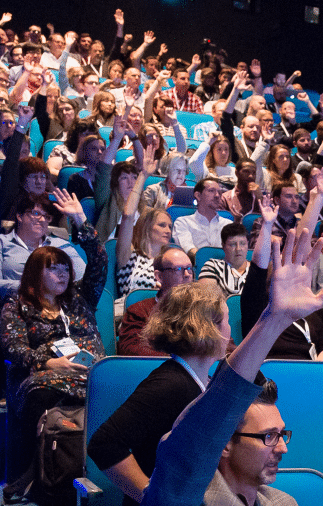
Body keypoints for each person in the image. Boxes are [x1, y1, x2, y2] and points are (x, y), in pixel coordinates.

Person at [138, 227, 323, 506]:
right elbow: (208, 420)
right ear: (223, 443)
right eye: (268, 436)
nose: (282, 449)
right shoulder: (183, 498)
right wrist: (273, 321)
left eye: (281, 434)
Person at [88, 282, 232, 506]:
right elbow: (104, 443)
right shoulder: (169, 385)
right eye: (226, 321)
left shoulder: (201, 380)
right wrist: (151, 497)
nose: (230, 330)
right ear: (207, 327)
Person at [0, 190, 105, 482]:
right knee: (42, 390)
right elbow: (13, 348)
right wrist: (47, 362)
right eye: (53, 268)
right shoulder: (17, 304)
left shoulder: (80, 301)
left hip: (90, 374)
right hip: (46, 377)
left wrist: (81, 221)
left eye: (65, 269)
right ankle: (42, 477)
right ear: (35, 272)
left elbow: (98, 265)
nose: (62, 274)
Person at [0, 196, 87, 299]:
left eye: (47, 217)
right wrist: (35, 287)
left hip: (56, 306)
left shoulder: (61, 245)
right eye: (36, 213)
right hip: (15, 305)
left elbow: (85, 279)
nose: (42, 220)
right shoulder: (3, 242)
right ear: (20, 216)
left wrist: (80, 218)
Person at [118, 247, 195, 356]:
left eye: (189, 268)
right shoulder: (138, 311)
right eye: (178, 269)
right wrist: (181, 360)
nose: (187, 274)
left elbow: (225, 347)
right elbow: (131, 349)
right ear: (159, 276)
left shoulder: (203, 309)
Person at [117, 168, 171, 297]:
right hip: (133, 312)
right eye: (162, 225)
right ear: (147, 227)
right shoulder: (129, 257)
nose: (168, 231)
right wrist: (143, 175)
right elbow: (128, 216)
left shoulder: (169, 262)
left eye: (170, 226)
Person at [197, 222, 251, 297]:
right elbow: (206, 301)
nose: (238, 249)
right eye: (232, 244)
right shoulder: (212, 266)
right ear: (223, 245)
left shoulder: (256, 270)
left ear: (248, 244)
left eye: (242, 243)